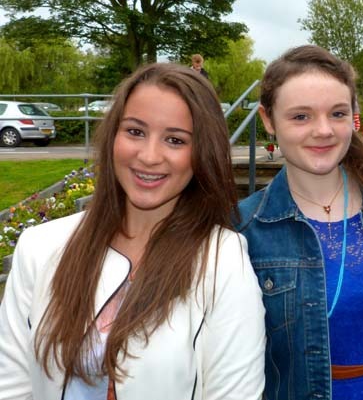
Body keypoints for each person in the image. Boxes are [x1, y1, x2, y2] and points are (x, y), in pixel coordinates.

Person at [0, 63, 265, 399]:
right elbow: (11, 386)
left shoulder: (223, 261)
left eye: (175, 139)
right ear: (113, 136)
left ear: (201, 153)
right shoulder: (40, 248)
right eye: (135, 132)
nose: (149, 156)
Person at [236, 45, 363, 400]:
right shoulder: (243, 230)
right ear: (268, 120)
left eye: (338, 113)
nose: (323, 130)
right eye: (301, 117)